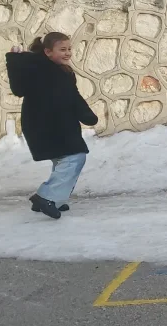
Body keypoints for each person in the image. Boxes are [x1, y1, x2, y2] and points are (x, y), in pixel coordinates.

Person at [6, 32, 98, 220]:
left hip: (61, 124)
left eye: (69, 49)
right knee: (75, 158)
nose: (67, 53)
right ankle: (46, 197)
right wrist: (15, 62)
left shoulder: (63, 71)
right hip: (44, 125)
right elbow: (18, 89)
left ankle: (56, 199)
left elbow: (73, 96)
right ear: (48, 52)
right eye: (62, 49)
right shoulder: (38, 69)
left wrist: (86, 115)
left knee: (63, 160)